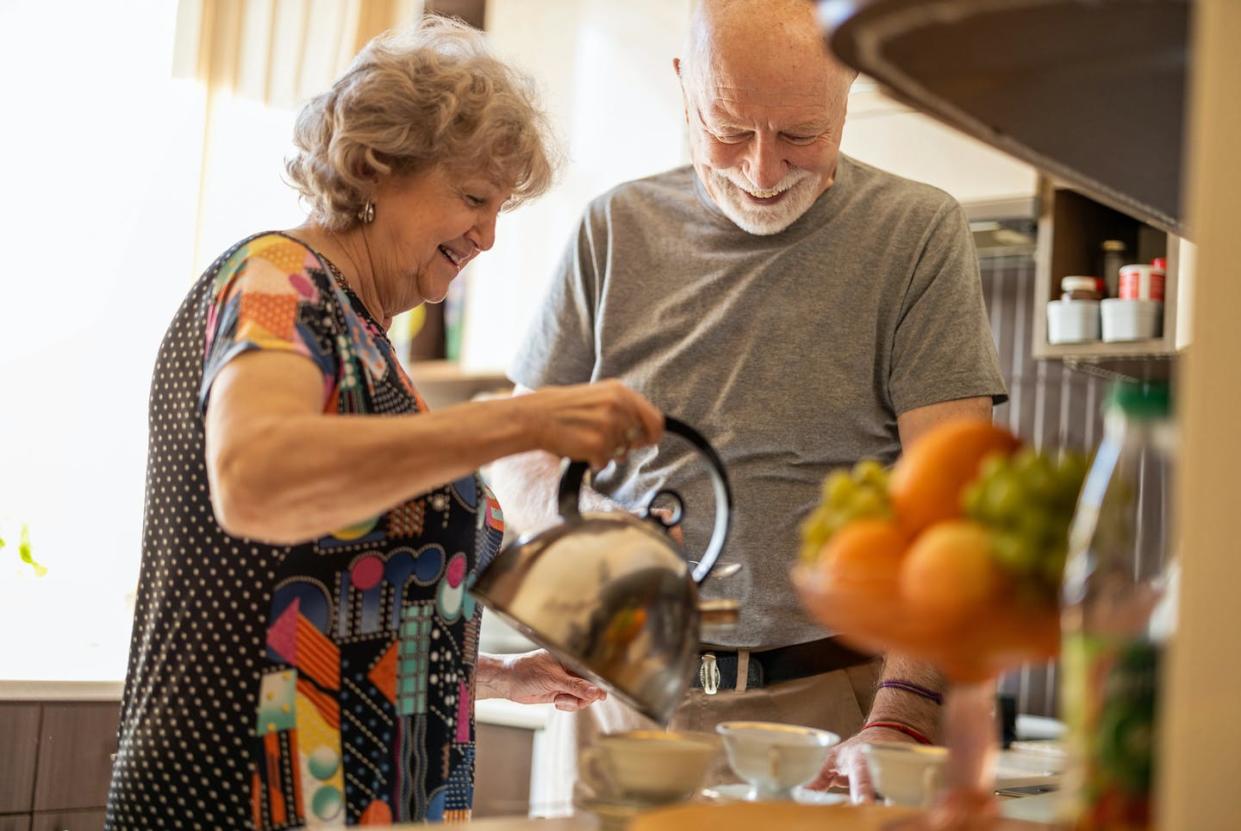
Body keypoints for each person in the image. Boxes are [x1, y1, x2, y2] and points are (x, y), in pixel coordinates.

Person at [103, 18, 664, 830]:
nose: (489, 234)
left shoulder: (365, 337)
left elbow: (328, 592)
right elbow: (257, 477)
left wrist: (490, 673)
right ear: (375, 167)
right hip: (249, 791)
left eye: (501, 207)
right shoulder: (278, 280)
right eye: (473, 197)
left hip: (348, 789)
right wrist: (515, 422)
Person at [488, 0, 1007, 805]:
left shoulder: (915, 233)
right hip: (626, 699)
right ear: (682, 85)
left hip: (837, 708)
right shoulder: (613, 229)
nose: (761, 171)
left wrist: (902, 710)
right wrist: (592, 541)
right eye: (728, 128)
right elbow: (519, 446)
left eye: (800, 133)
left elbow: (952, 494)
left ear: (848, 87)